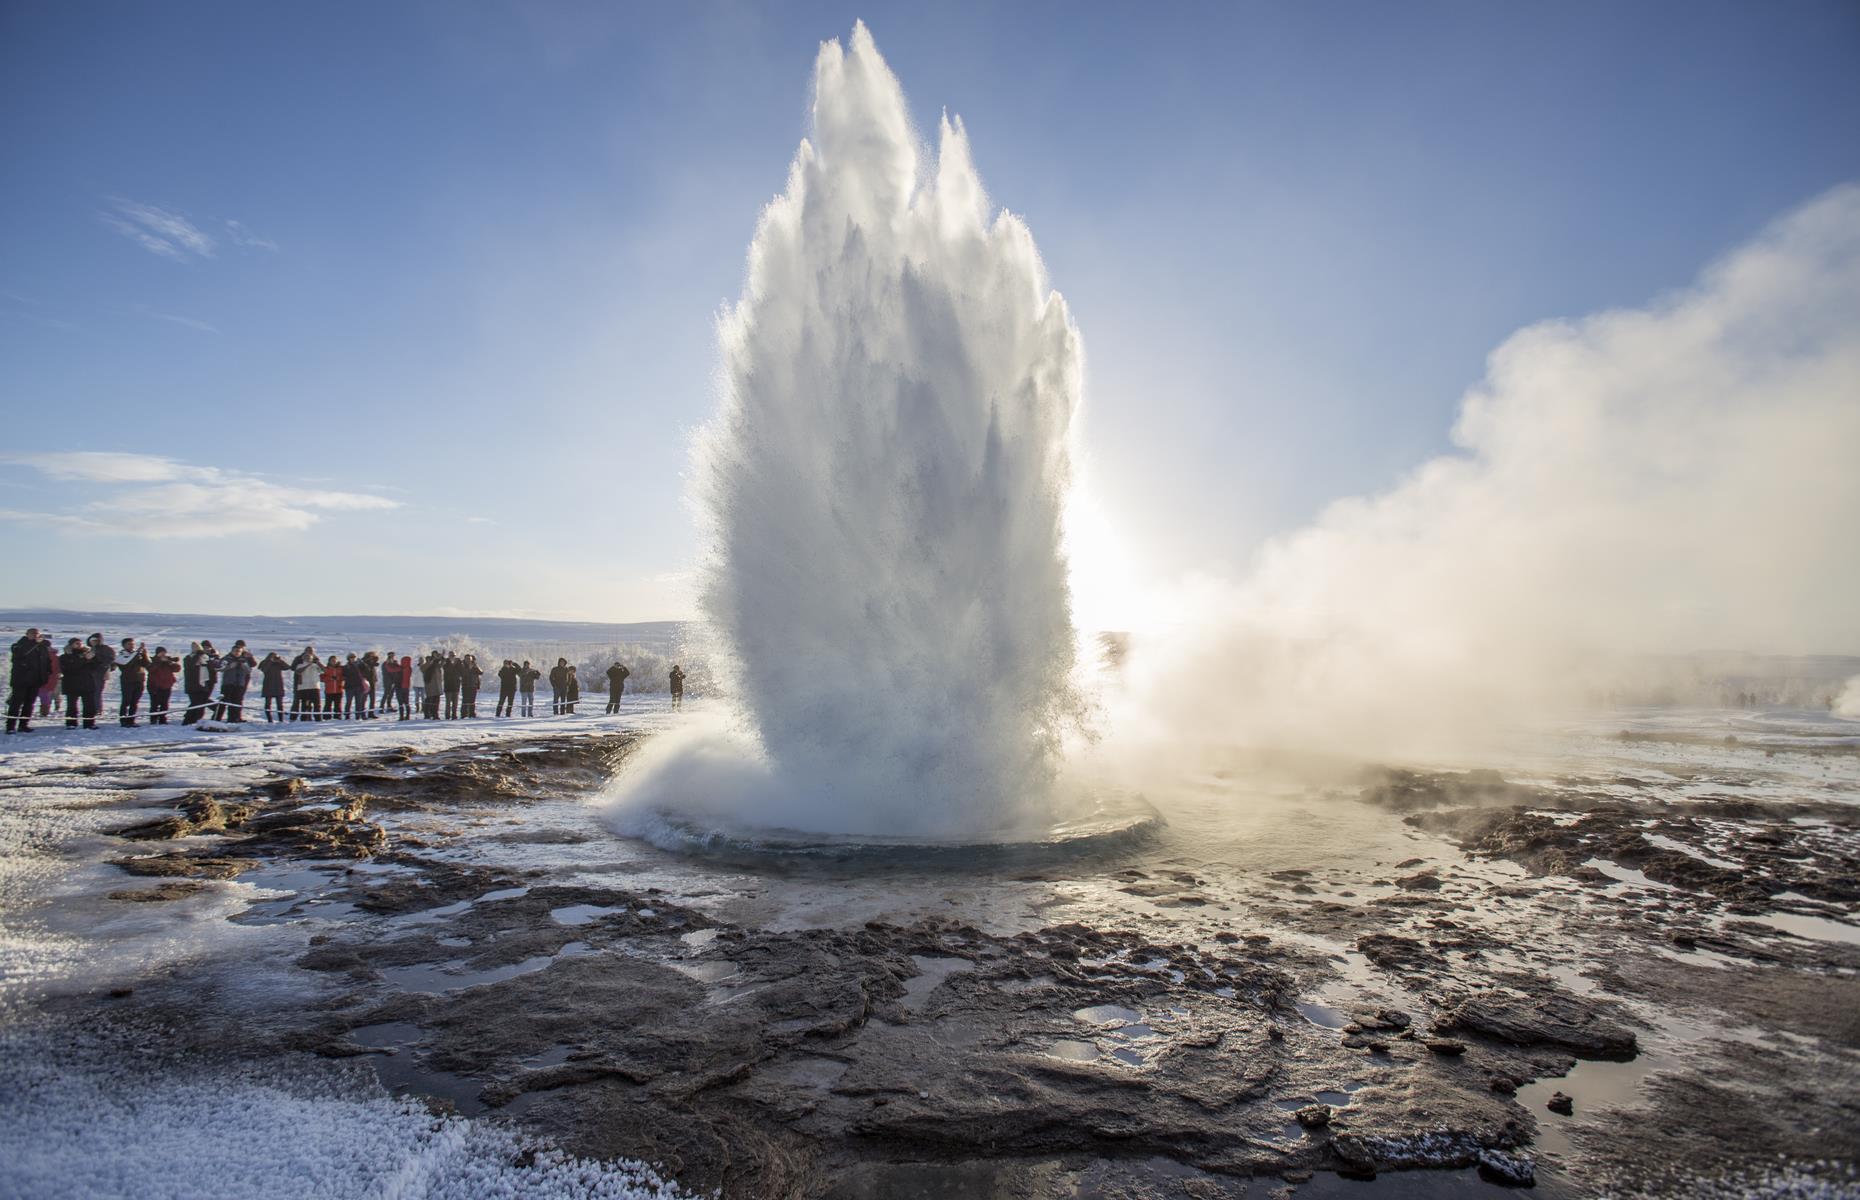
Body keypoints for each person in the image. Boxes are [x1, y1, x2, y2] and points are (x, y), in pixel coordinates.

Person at [6, 627, 52, 733]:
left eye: (37, 634)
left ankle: (23, 725)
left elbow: (46, 661)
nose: (35, 635)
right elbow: (21, 654)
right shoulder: (19, 645)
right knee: (16, 703)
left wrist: (46, 673)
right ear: (27, 634)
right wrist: (34, 643)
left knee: (29, 704)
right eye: (33, 633)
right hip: (21, 680)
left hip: (35, 680)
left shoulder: (42, 647)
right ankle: (10, 726)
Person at [181, 641, 220, 725]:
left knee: (200, 702)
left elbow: (214, 667)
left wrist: (213, 657)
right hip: (192, 684)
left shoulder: (205, 657)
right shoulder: (188, 658)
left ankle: (195, 719)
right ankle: (188, 720)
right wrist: (198, 655)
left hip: (203, 683)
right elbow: (191, 665)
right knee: (196, 703)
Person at [60, 638, 96, 729]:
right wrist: (84, 659)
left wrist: (91, 659)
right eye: (76, 643)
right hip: (72, 683)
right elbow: (71, 667)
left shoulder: (86, 654)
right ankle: (71, 723)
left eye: (80, 643)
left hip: (87, 683)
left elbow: (95, 667)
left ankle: (89, 723)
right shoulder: (65, 656)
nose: (79, 645)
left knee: (89, 705)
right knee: (72, 705)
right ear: (71, 645)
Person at [217, 640, 255, 722]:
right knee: (224, 701)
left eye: (239, 651)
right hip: (228, 683)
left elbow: (249, 670)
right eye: (235, 651)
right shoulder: (227, 658)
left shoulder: (244, 660)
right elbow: (219, 668)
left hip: (239, 684)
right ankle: (217, 718)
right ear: (232, 651)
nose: (237, 653)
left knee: (237, 702)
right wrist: (229, 666)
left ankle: (235, 718)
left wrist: (244, 664)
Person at [117, 637, 150, 727]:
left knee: (134, 702)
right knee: (126, 700)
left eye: (132, 644)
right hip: (127, 681)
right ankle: (123, 720)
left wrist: (144, 654)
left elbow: (147, 664)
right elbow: (127, 663)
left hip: (138, 680)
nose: (131, 646)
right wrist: (137, 653)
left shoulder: (136, 654)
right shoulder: (121, 655)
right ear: (124, 645)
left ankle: (131, 720)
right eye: (129, 644)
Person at [85, 633, 117, 721]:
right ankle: (93, 708)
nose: (93, 642)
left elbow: (110, 660)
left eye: (95, 641)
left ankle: (97, 709)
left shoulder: (106, 649)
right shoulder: (90, 649)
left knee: (97, 692)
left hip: (100, 673)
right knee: (91, 692)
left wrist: (98, 662)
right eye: (92, 641)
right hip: (90, 674)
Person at [147, 647, 178, 724]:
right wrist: (159, 661)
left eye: (164, 653)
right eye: (161, 653)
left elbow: (177, 669)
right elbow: (151, 669)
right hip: (155, 686)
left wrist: (170, 662)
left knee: (164, 703)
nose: (163, 654)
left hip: (167, 685)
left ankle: (162, 719)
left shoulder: (168, 661)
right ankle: (153, 719)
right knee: (154, 703)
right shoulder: (153, 660)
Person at [291, 646, 322, 721]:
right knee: (300, 702)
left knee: (314, 703)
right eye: (308, 651)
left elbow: (322, 670)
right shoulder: (299, 659)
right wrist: (307, 664)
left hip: (313, 685)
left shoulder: (315, 660)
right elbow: (294, 668)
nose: (309, 652)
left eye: (311, 651)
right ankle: (296, 717)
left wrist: (316, 662)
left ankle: (313, 718)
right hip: (301, 683)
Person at [258, 652, 290, 722]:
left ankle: (281, 719)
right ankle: (269, 719)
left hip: (278, 684)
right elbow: (264, 669)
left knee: (280, 704)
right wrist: (270, 661)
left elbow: (287, 667)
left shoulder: (278, 663)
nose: (274, 658)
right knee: (268, 703)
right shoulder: (265, 662)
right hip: (268, 684)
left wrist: (280, 661)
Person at [36, 633, 60, 718]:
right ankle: (45, 711)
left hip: (42, 679)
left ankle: (44, 711)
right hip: (50, 680)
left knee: (33, 696)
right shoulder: (55, 656)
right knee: (46, 696)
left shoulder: (39, 655)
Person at [320, 654, 345, 720]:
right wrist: (329, 678)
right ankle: (327, 717)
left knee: (338, 704)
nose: (333, 662)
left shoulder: (340, 668)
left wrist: (338, 678)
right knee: (328, 704)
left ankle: (337, 716)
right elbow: (321, 678)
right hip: (329, 690)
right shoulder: (326, 669)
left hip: (338, 689)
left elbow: (344, 677)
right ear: (329, 661)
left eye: (334, 660)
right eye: (332, 661)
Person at [342, 654, 365, 720]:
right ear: (348, 659)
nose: (353, 659)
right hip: (349, 687)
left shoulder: (359, 666)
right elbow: (346, 674)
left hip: (358, 686)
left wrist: (362, 663)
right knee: (348, 702)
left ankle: (358, 715)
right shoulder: (346, 666)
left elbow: (365, 669)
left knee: (358, 702)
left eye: (354, 658)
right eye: (351, 658)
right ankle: (347, 715)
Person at [421, 652, 443, 719]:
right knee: (429, 701)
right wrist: (433, 660)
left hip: (437, 687)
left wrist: (441, 657)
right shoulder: (424, 666)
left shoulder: (436, 666)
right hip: (430, 687)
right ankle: (427, 714)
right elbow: (424, 668)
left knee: (436, 702)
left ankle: (435, 714)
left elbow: (443, 663)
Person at [460, 654, 483, 718]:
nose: (468, 660)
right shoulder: (462, 665)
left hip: (473, 685)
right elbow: (463, 674)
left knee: (472, 700)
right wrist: (469, 668)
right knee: (465, 700)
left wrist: (476, 666)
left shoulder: (474, 665)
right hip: (465, 685)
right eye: (467, 659)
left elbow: (481, 672)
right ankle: (464, 714)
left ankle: (472, 713)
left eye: (469, 659)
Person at [361, 651, 381, 719]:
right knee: (364, 699)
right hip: (366, 683)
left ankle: (371, 713)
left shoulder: (372, 663)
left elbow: (376, 661)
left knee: (372, 699)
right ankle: (362, 714)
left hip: (372, 682)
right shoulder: (363, 662)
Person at [394, 654, 414, 719]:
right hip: (406, 687)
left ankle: (401, 716)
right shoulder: (409, 669)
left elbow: (392, 670)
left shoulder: (400, 669)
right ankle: (408, 716)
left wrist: (395, 664)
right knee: (407, 703)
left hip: (400, 687)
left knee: (400, 703)